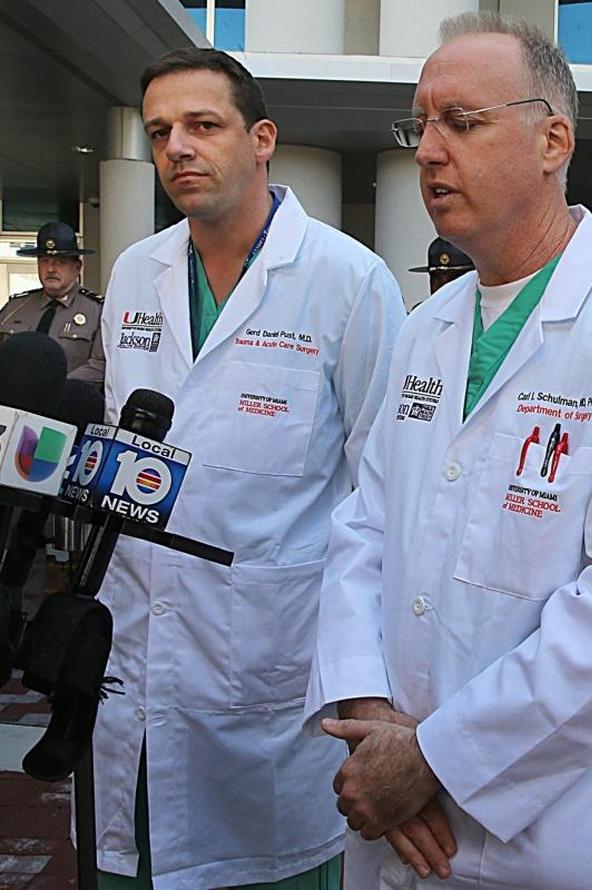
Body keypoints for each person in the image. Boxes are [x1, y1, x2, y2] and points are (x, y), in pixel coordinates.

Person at [304, 13, 592, 890]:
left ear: (553, 140)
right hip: (394, 804)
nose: (427, 151)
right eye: (418, 124)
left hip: (558, 824)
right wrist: (372, 714)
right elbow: (362, 527)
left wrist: (440, 758)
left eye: (460, 123)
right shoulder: (426, 330)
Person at [92, 48, 404, 889]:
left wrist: (371, 687)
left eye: (203, 125)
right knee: (135, 857)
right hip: (138, 650)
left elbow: (381, 498)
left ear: (261, 137)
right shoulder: (135, 274)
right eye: (161, 132)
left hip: (275, 663)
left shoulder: (348, 281)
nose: (178, 149)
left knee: (271, 868)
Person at [1, 221, 104, 385]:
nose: (51, 269)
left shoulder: (97, 311)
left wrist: (54, 389)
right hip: (15, 403)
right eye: (44, 261)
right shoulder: (15, 307)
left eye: (60, 262)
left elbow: (100, 365)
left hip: (67, 404)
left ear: (77, 267)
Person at [409, 236, 475, 295]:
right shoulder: (424, 308)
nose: (444, 287)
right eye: (437, 278)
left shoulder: (481, 307)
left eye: (453, 279)